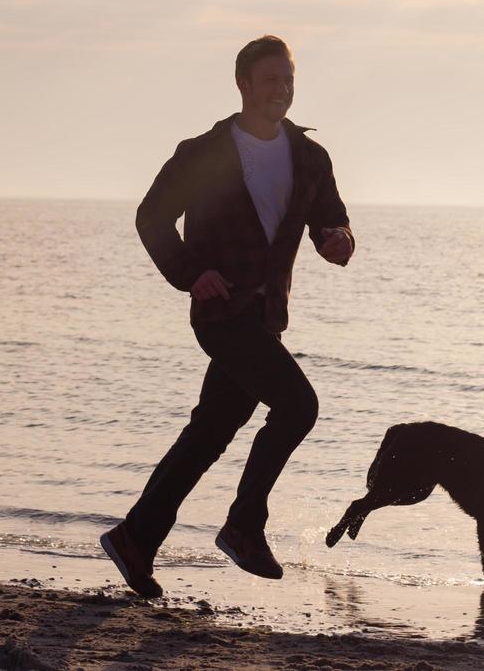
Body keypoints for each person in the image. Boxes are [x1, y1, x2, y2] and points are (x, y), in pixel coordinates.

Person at [100, 35, 354, 598]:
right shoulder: (203, 153)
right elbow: (152, 219)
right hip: (219, 311)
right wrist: (191, 273)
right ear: (243, 84)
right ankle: (244, 525)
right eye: (271, 81)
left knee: (211, 431)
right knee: (298, 405)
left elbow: (331, 221)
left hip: (266, 316)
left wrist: (337, 240)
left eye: (288, 80)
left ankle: (137, 537)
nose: (282, 91)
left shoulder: (310, 156)